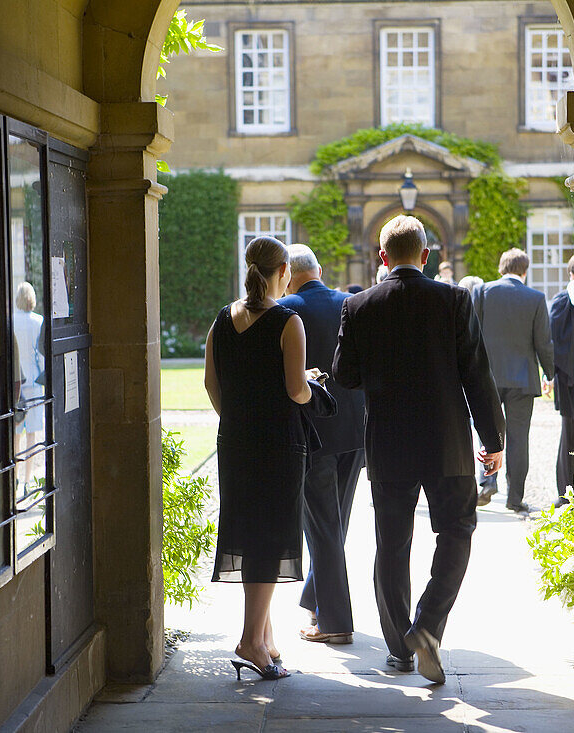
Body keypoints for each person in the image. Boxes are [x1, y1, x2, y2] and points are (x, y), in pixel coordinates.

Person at [334, 215, 505, 684]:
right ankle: (428, 624)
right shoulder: (453, 298)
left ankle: (399, 649)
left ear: (382, 258)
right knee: (458, 529)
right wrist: (494, 440)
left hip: (388, 443)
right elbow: (476, 372)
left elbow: (345, 376)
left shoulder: (359, 305)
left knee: (392, 543)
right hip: (446, 440)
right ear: (427, 256)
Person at [204, 236, 321, 681]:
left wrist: (237, 419)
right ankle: (251, 641)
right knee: (269, 539)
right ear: (283, 271)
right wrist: (312, 384)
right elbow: (295, 391)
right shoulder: (288, 322)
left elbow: (212, 384)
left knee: (250, 531)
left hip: (235, 441)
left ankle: (266, 637)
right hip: (278, 443)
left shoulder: (222, 319)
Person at [278, 245, 365, 646]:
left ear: (287, 275)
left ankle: (334, 621)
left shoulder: (284, 309)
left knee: (324, 528)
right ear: (319, 270)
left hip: (312, 430)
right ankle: (316, 600)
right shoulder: (351, 302)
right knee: (335, 525)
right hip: (356, 430)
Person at [472, 248, 554, 512]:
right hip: (522, 378)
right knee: (519, 439)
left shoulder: (483, 292)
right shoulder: (536, 298)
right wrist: (549, 374)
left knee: (489, 432)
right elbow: (543, 342)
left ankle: (488, 481)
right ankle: (515, 498)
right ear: (525, 271)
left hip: (488, 378)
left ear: (500, 268)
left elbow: (472, 334)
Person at [548, 257, 574, 508]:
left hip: (573, 376)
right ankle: (566, 489)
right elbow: (554, 342)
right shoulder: (561, 302)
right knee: (568, 433)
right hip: (568, 381)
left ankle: (571, 488)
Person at [13, 281, 45, 488]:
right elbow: (41, 355)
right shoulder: (38, 321)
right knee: (32, 434)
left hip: (17, 380)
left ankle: (14, 476)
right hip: (33, 380)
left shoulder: (11, 320)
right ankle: (26, 481)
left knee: (16, 433)